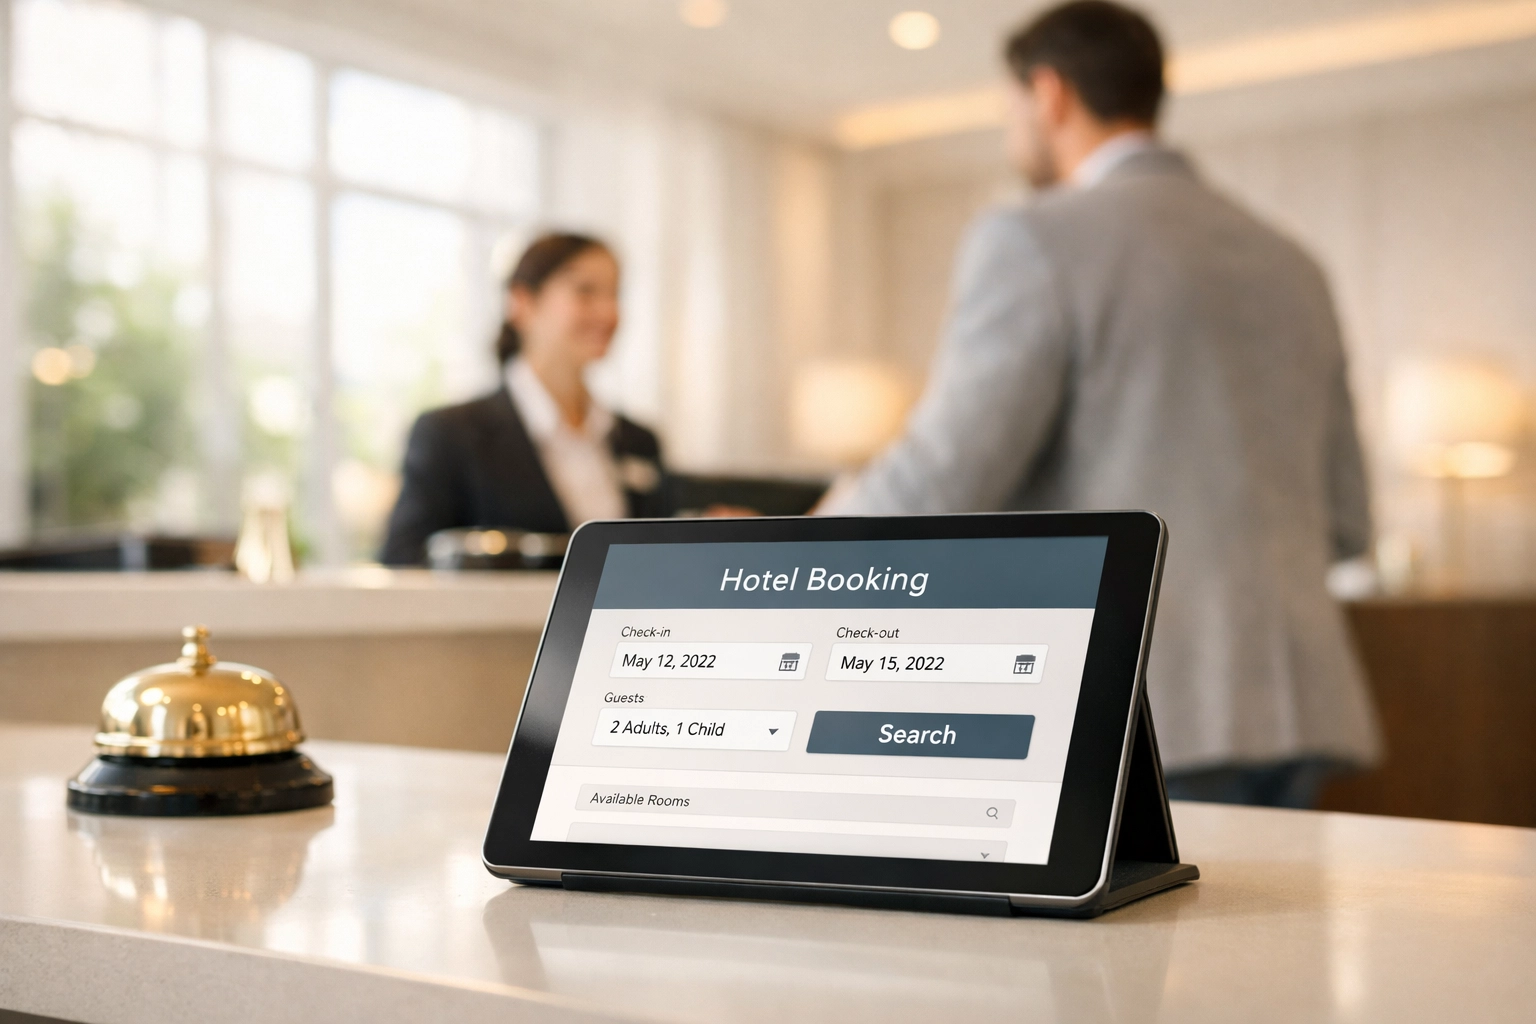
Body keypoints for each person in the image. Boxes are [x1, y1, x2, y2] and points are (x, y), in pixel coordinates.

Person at [819, 0, 1380, 807]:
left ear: (1047, 94)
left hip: (1143, 702)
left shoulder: (1035, 238)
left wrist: (792, 550)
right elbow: (1349, 522)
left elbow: (944, 476)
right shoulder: (1293, 262)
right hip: (1304, 700)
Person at [380, 233, 672, 565]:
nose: (609, 313)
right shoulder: (450, 434)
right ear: (522, 302)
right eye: (586, 292)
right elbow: (403, 562)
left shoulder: (640, 441)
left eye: (615, 294)